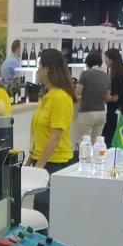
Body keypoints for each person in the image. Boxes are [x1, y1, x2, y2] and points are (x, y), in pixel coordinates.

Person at [29, 48, 76, 221]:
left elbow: (55, 137)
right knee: (40, 209)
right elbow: (40, 133)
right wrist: (31, 160)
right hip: (42, 161)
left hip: (54, 164)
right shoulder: (48, 96)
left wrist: (38, 169)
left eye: (39, 66)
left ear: (47, 69)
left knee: (45, 211)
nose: (37, 70)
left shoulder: (60, 98)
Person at [75, 50, 109, 143]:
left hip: (87, 113)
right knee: (96, 143)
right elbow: (107, 97)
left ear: (88, 62)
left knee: (84, 143)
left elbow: (77, 93)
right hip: (101, 113)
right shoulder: (106, 76)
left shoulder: (85, 74)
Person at [101, 48, 123, 146]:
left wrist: (102, 97)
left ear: (111, 59)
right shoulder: (121, 72)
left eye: (106, 58)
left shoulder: (117, 75)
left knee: (110, 138)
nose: (105, 61)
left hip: (116, 111)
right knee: (117, 138)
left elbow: (114, 98)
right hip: (120, 109)